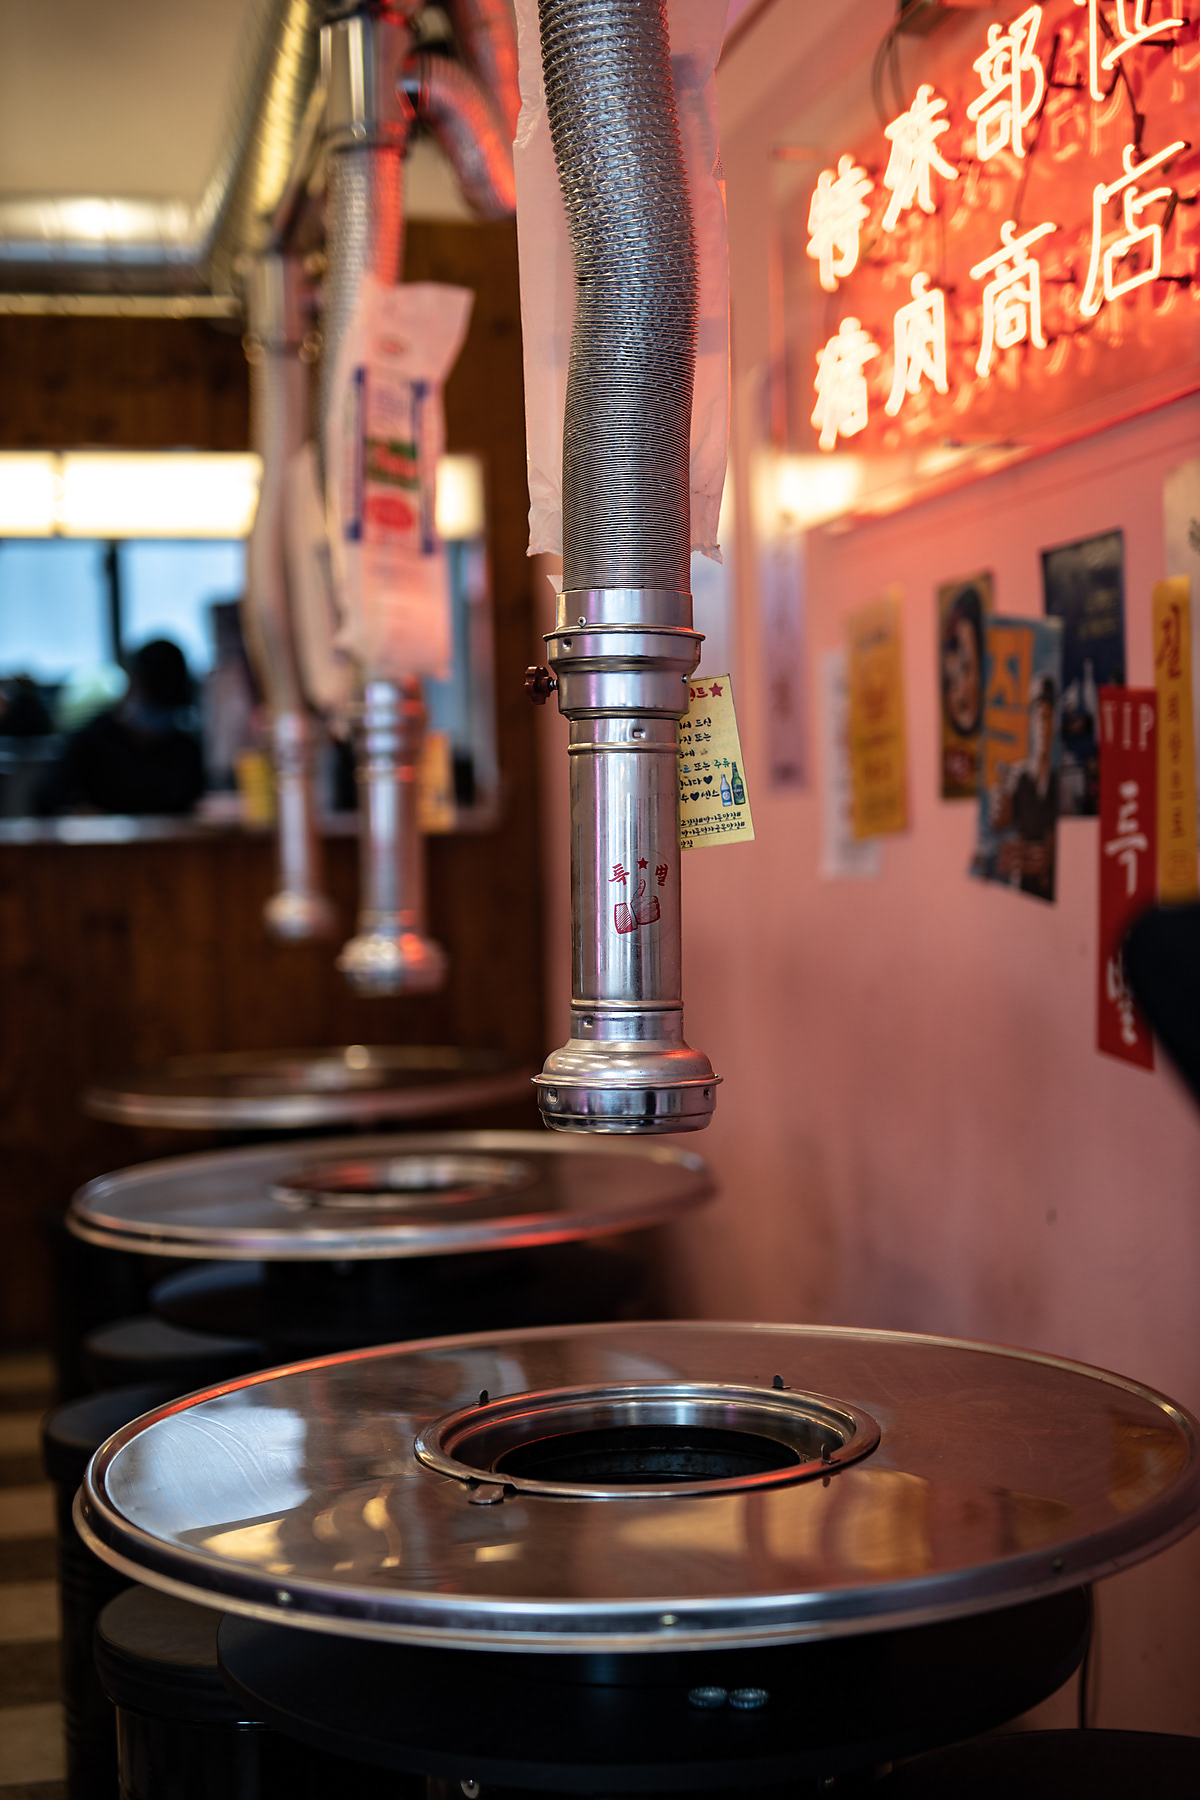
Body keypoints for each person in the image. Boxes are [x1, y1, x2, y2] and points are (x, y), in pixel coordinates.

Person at [35, 639, 205, 817]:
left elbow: (191, 808)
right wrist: (77, 812)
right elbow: (45, 798)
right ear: (132, 685)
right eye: (151, 695)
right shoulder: (93, 739)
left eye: (165, 701)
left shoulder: (184, 751)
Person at [991, 674, 1058, 901]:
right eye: (1037, 717)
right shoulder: (1017, 777)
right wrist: (1000, 805)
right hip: (1022, 890)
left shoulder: (1058, 783)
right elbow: (1000, 821)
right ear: (1030, 722)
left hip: (1053, 889)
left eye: (1047, 717)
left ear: (1054, 723)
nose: (1042, 726)